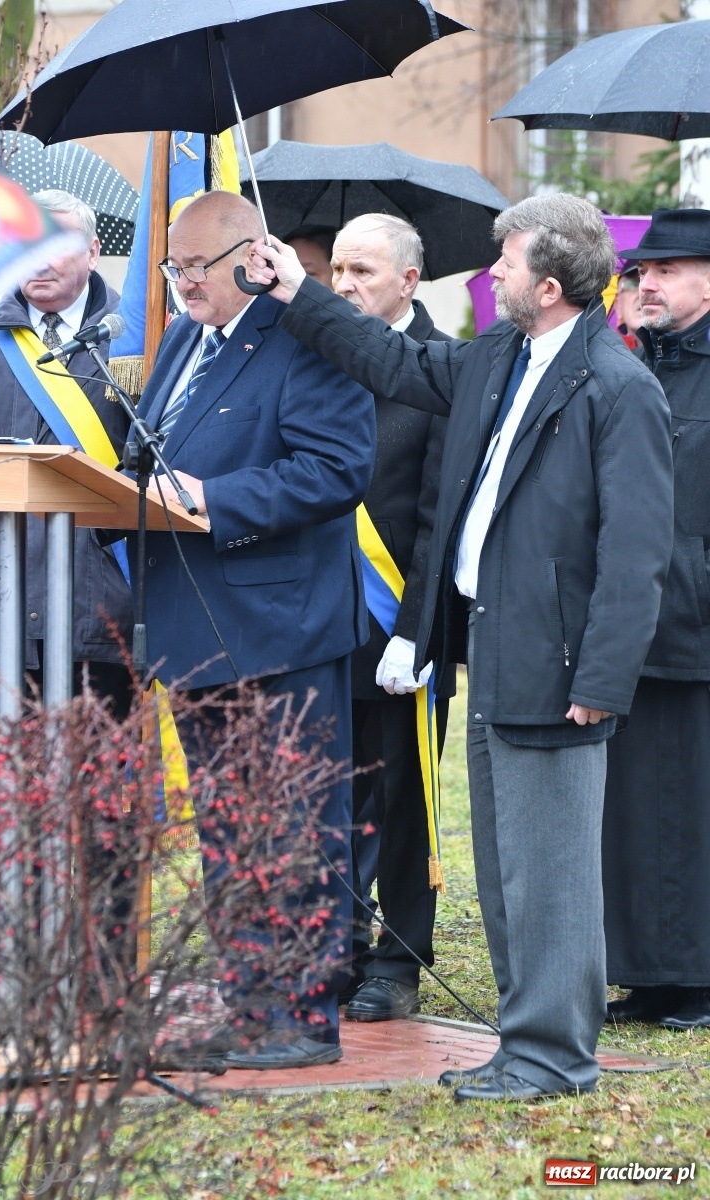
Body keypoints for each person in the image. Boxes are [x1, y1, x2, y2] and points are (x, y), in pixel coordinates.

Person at [248, 192, 674, 1100]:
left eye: (507, 264)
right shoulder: (500, 358)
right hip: (489, 650)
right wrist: (296, 290)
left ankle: (554, 1056)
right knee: (510, 868)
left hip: (558, 666)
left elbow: (638, 555)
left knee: (552, 872)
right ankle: (524, 1043)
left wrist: (600, 679)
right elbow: (392, 361)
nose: (491, 277)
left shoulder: (616, 384)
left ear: (550, 285)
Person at [134, 190, 375, 1069]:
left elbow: (336, 470)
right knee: (230, 827)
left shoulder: (303, 337)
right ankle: (246, 1003)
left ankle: (302, 1016)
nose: (181, 284)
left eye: (195, 268)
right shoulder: (179, 343)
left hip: (284, 624)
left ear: (248, 256)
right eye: (172, 268)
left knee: (297, 824)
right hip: (196, 624)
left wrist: (213, 500)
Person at [0, 190, 135, 988]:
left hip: (103, 616)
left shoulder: (136, 343)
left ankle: (105, 978)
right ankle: (15, 965)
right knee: (7, 796)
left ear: (93, 254)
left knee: (101, 805)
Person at [324, 213, 451, 1023]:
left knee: (403, 800)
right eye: (335, 269)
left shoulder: (439, 371)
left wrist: (419, 627)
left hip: (398, 623)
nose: (342, 285)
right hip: (317, 620)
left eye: (362, 271)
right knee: (330, 796)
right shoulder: (315, 354)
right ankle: (330, 946)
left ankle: (398, 960)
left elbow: (440, 517)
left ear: (409, 280)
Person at [602, 208, 710, 1032]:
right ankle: (648, 968)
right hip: (637, 622)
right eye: (642, 273)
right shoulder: (634, 364)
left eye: (666, 270)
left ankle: (700, 976)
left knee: (696, 805)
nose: (647, 285)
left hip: (699, 622)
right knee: (638, 807)